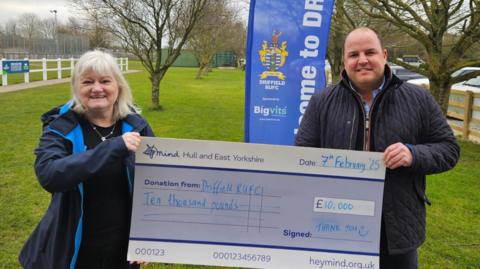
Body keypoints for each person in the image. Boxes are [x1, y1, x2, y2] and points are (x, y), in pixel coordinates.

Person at [295, 27, 459, 268]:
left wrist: (413, 154)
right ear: (345, 61)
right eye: (353, 54)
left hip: (397, 228)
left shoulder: (418, 99)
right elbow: (301, 156)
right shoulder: (321, 102)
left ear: (384, 55)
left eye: (369, 52)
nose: (362, 60)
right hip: (335, 223)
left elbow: (449, 149)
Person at [19, 50, 154, 269]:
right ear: (76, 88)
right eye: (88, 82)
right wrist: (113, 147)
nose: (97, 88)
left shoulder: (137, 126)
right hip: (73, 247)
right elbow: (49, 174)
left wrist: (149, 237)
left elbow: (155, 183)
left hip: (121, 248)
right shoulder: (61, 127)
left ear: (118, 87)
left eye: (105, 81)